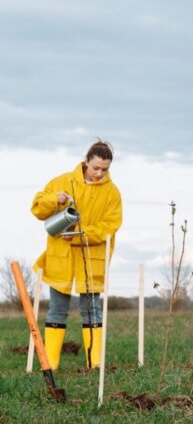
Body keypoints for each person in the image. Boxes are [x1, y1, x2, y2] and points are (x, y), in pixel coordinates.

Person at [30, 140, 123, 370]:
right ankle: (50, 364)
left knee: (91, 310)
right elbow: (38, 208)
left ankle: (95, 364)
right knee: (57, 308)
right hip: (60, 257)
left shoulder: (112, 193)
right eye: (96, 168)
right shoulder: (62, 182)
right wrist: (56, 200)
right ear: (86, 161)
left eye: (105, 169)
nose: (99, 173)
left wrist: (81, 235)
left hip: (93, 258)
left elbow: (109, 226)